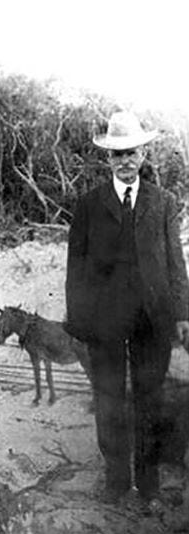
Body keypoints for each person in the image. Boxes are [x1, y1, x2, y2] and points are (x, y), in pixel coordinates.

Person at [66, 111, 189, 505]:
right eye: (117, 154)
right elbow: (77, 267)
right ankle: (116, 482)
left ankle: (148, 485)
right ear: (108, 158)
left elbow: (175, 263)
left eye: (131, 153)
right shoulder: (88, 205)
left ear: (143, 154)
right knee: (109, 400)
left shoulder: (164, 202)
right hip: (104, 323)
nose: (125, 160)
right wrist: (79, 321)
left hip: (153, 319)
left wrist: (183, 313)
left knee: (150, 400)